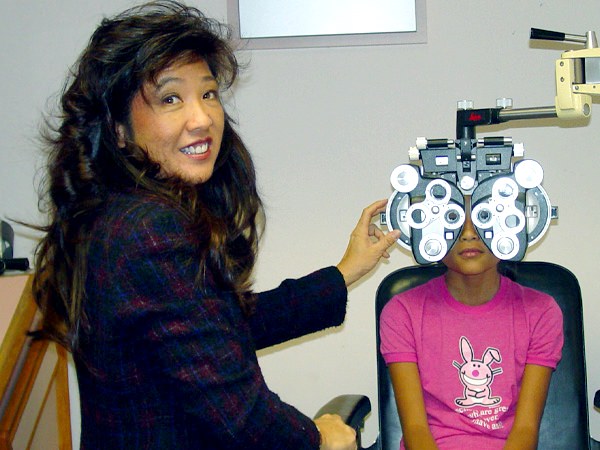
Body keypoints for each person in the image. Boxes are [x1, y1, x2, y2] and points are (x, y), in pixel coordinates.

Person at [31, 2, 400, 449]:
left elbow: (216, 330)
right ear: (119, 128)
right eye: (171, 99)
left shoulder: (117, 214)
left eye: (207, 94)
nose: (202, 118)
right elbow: (242, 417)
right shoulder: (149, 231)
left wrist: (345, 272)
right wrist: (318, 439)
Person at [379, 201, 563, 449]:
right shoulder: (403, 312)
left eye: (482, 217)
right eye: (454, 219)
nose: (468, 233)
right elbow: (415, 429)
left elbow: (526, 429)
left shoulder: (540, 311)